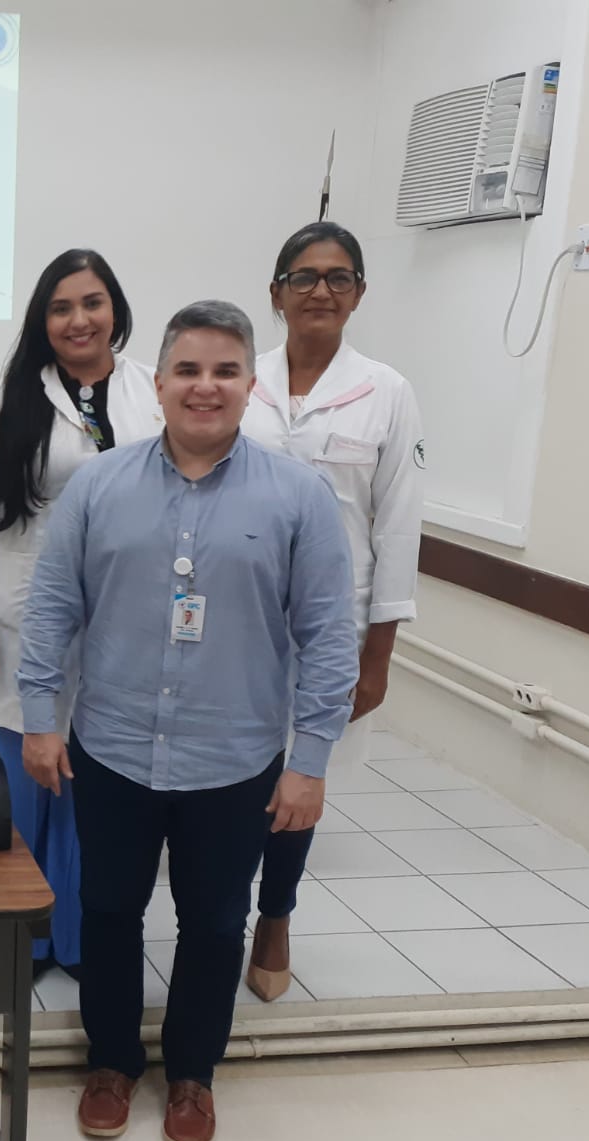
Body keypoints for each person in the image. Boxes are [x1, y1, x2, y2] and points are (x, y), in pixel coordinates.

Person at [18, 301, 358, 1141]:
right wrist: (38, 721)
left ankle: (194, 1074)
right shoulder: (98, 485)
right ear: (158, 382)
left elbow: (327, 638)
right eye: (188, 370)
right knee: (108, 911)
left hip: (235, 758)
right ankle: (109, 1062)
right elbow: (53, 609)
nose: (206, 387)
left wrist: (308, 760)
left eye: (226, 371)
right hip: (115, 746)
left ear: (252, 384)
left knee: (213, 923)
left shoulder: (298, 497)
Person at [0, 249, 162, 978]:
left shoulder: (151, 394)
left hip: (120, 630)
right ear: (44, 320)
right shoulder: (10, 398)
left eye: (93, 303)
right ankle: (15, 939)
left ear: (116, 311)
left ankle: (74, 942)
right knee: (14, 798)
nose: (79, 320)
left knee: (91, 799)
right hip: (19, 628)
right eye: (62, 307)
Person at [241, 222, 425, 1002]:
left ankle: (274, 915)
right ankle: (216, 909)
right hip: (230, 623)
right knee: (230, 779)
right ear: (275, 292)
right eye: (305, 276)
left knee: (299, 779)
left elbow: (398, 526)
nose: (321, 290)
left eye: (339, 277)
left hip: (330, 629)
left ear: (358, 294)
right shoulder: (235, 380)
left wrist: (377, 656)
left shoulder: (386, 393)